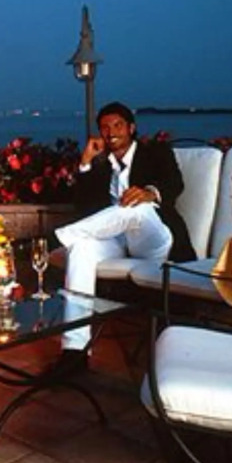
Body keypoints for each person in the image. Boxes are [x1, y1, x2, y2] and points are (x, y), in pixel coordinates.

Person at [52, 102, 196, 373]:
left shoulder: (155, 152)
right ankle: (75, 351)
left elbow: (174, 183)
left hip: (154, 239)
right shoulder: (101, 165)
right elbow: (83, 207)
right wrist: (85, 162)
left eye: (117, 125)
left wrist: (149, 193)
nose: (111, 132)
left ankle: (55, 240)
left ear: (131, 128)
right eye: (105, 127)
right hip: (117, 242)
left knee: (136, 207)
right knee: (81, 250)